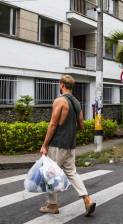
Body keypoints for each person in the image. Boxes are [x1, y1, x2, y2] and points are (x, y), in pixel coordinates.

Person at [39, 74, 96, 216]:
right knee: (71, 172)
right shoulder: (77, 102)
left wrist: (45, 145)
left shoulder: (60, 101)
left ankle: (52, 205)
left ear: (62, 85)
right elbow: (81, 125)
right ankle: (87, 199)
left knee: (50, 174)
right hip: (71, 145)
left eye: (60, 84)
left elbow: (52, 124)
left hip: (58, 144)